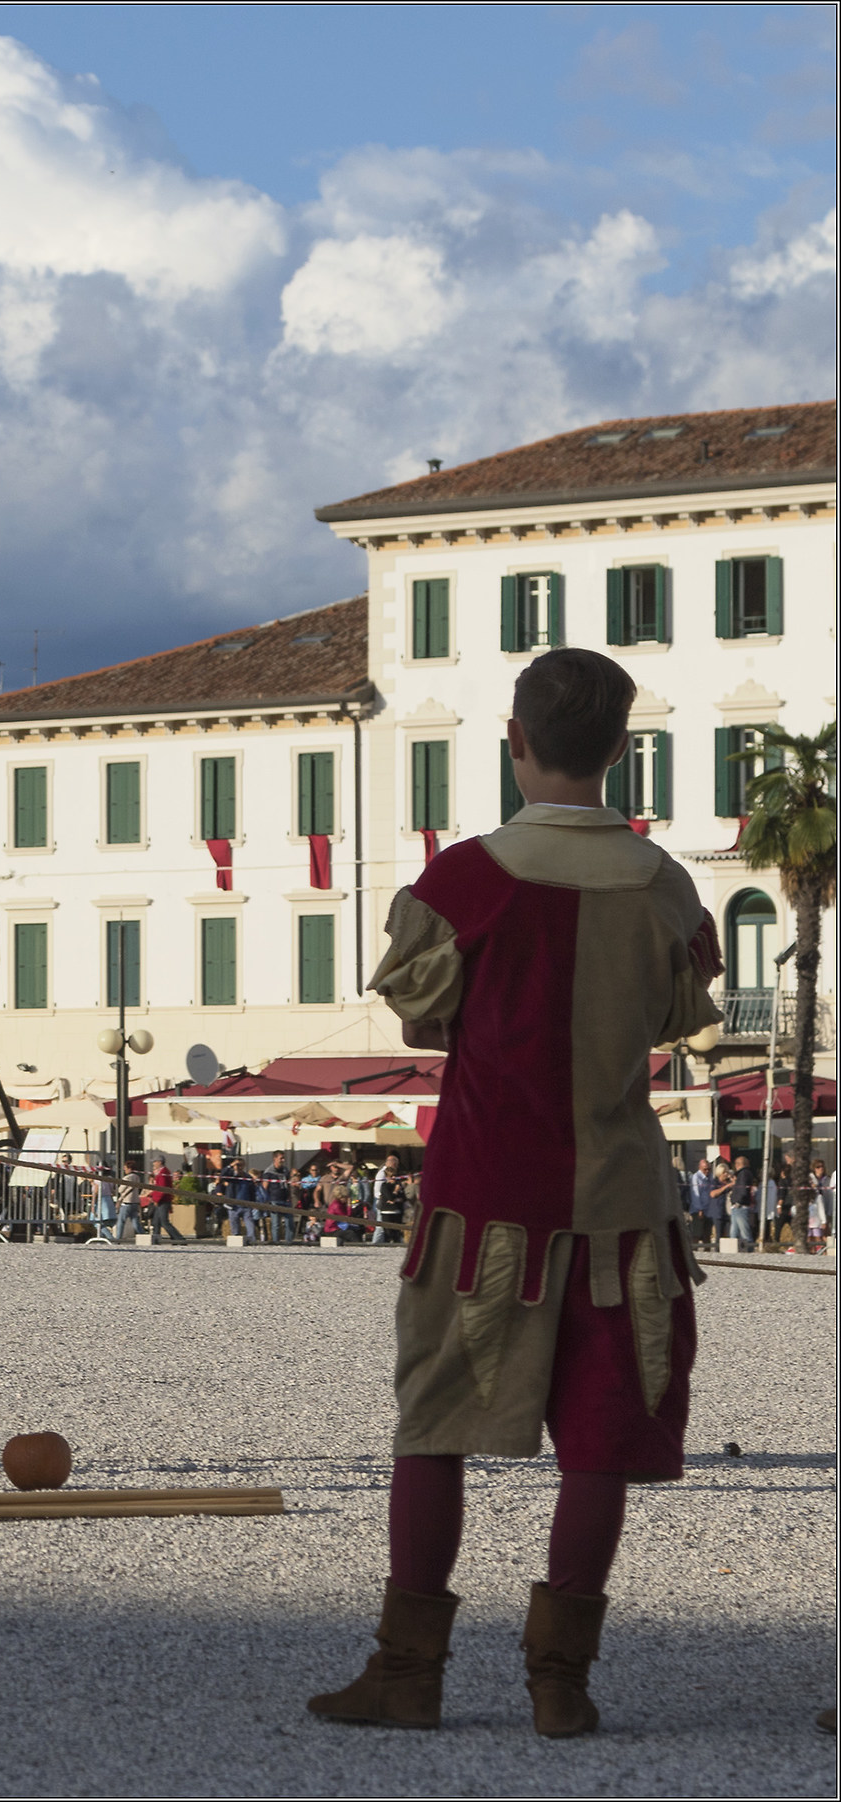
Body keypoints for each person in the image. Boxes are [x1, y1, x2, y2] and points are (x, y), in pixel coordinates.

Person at [308, 647, 722, 1740]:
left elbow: (421, 1016)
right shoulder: (666, 886)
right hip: (623, 1203)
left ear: (515, 740)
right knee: (601, 1440)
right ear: (621, 749)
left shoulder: (462, 884)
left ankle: (407, 1674)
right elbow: (675, 1018)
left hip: (482, 1198)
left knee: (434, 1425)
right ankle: (561, 1682)